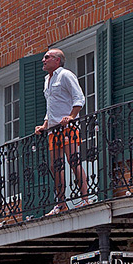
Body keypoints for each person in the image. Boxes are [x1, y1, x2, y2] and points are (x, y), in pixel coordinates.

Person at [35, 47, 91, 214]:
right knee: (55, 166)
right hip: (53, 130)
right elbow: (51, 106)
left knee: (73, 161)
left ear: (57, 60)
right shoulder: (47, 80)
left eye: (47, 57)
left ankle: (85, 199)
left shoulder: (65, 75)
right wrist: (45, 124)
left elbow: (79, 98)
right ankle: (61, 204)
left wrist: (72, 116)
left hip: (68, 127)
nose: (43, 60)